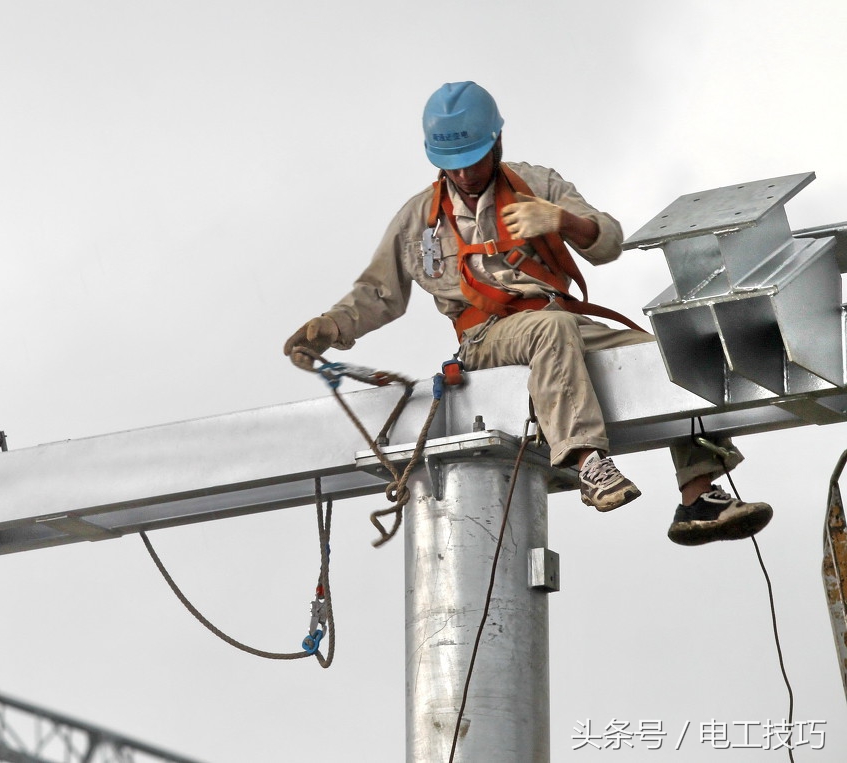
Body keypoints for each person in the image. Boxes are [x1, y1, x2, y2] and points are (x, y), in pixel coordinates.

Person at [283, 81, 772, 546]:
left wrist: (561, 220)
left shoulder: (537, 184)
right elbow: (378, 293)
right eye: (453, 164)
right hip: (487, 339)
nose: (465, 174)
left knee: (663, 354)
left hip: (557, 322)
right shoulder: (419, 221)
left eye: (473, 160)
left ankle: (698, 496)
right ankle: (586, 461)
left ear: (496, 142)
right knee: (551, 328)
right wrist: (329, 328)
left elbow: (607, 241)